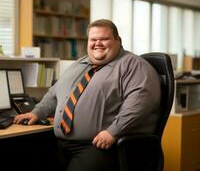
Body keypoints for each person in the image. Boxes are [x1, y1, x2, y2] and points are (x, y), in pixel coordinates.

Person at [13, 19, 161, 171]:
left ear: (118, 40)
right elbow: (55, 92)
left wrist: (113, 132)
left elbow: (139, 105)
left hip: (99, 145)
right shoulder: (79, 64)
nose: (98, 43)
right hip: (61, 143)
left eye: (104, 39)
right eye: (93, 39)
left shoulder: (133, 65)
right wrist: (37, 113)